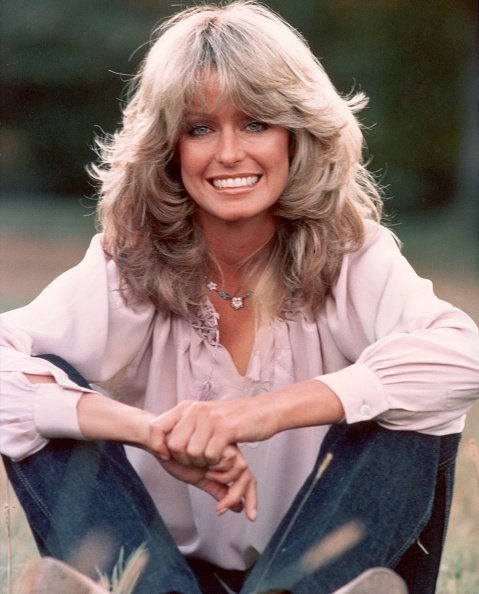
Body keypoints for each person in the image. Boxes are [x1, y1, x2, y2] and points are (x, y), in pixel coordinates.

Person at [1, 2, 478, 593]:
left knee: (411, 392)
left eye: (256, 123)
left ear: (297, 135)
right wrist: (149, 430)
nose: (229, 153)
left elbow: (464, 354)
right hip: (171, 577)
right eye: (200, 129)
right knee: (42, 386)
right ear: (170, 148)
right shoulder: (127, 265)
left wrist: (254, 414)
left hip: (322, 573)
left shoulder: (352, 255)